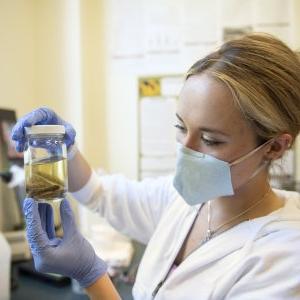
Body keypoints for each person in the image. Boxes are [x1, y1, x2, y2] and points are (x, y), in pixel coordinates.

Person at [12, 33, 300, 300]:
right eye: (180, 126)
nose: (185, 150)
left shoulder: (284, 260)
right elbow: (100, 194)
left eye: (210, 140)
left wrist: (91, 275)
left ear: (274, 147)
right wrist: (65, 148)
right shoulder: (186, 200)